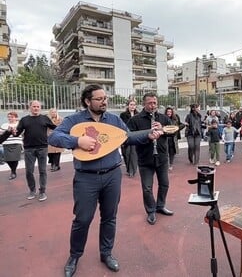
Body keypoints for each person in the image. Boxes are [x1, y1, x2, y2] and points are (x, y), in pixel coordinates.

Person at [48, 84, 162, 277]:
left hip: (112, 175)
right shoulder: (74, 120)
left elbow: (127, 138)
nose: (104, 101)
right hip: (86, 177)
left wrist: (148, 135)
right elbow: (55, 137)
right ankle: (74, 256)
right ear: (87, 101)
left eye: (105, 98)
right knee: (82, 219)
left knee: (109, 217)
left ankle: (106, 253)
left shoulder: (113, 120)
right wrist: (77, 141)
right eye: (99, 99)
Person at [127, 92, 174, 226]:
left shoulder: (163, 118)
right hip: (145, 159)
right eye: (150, 103)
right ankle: (151, 210)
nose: (153, 105)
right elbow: (129, 138)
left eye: (155, 103)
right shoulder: (135, 120)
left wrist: (163, 129)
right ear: (144, 104)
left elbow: (174, 132)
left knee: (164, 184)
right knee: (147, 188)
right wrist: (147, 135)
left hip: (162, 158)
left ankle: (160, 206)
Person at [14, 100, 57, 202]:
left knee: (42, 171)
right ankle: (32, 190)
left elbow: (55, 128)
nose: (36, 108)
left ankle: (42, 191)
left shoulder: (45, 118)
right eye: (34, 106)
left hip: (43, 148)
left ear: (40, 108)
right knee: (29, 171)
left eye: (38, 106)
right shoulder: (24, 120)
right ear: (30, 107)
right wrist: (12, 131)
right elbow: (17, 133)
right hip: (29, 149)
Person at [0, 112, 23, 180]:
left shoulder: (19, 124)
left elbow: (22, 133)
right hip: (6, 144)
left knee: (15, 159)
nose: (10, 118)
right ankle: (13, 170)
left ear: (16, 117)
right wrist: (7, 131)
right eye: (9, 117)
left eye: (12, 117)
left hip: (16, 143)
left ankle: (13, 172)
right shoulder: (4, 125)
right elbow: (1, 134)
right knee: (7, 159)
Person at [120, 99, 139, 177]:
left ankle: (133, 171)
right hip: (126, 136)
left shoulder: (138, 115)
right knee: (126, 154)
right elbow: (122, 125)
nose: (132, 106)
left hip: (135, 136)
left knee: (134, 154)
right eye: (131, 105)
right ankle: (129, 169)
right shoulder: (123, 115)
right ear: (128, 106)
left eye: (134, 105)